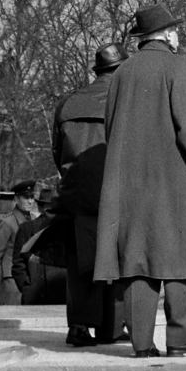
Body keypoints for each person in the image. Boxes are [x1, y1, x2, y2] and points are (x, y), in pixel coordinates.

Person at [94, 3, 186, 358]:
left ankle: (142, 343)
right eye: (175, 29)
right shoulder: (179, 66)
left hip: (130, 185)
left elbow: (110, 127)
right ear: (166, 34)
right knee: (183, 256)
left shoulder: (121, 73)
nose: (178, 35)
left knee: (137, 261)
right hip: (175, 180)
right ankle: (181, 339)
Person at [53, 43, 125, 345]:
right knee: (120, 259)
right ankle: (112, 327)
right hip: (116, 190)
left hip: (76, 193)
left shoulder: (68, 103)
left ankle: (79, 326)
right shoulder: (126, 101)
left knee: (80, 260)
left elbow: (57, 152)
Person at [0, 181, 38, 306]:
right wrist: (0, 276)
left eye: (32, 197)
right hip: (11, 281)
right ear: (16, 198)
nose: (30, 201)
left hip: (31, 280)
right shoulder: (7, 223)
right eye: (26, 197)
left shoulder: (34, 221)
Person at [15, 184, 69, 306]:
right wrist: (27, 286)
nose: (50, 210)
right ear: (40, 208)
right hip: (35, 296)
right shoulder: (26, 229)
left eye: (53, 206)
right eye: (47, 206)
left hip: (61, 295)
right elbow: (18, 264)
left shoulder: (67, 229)